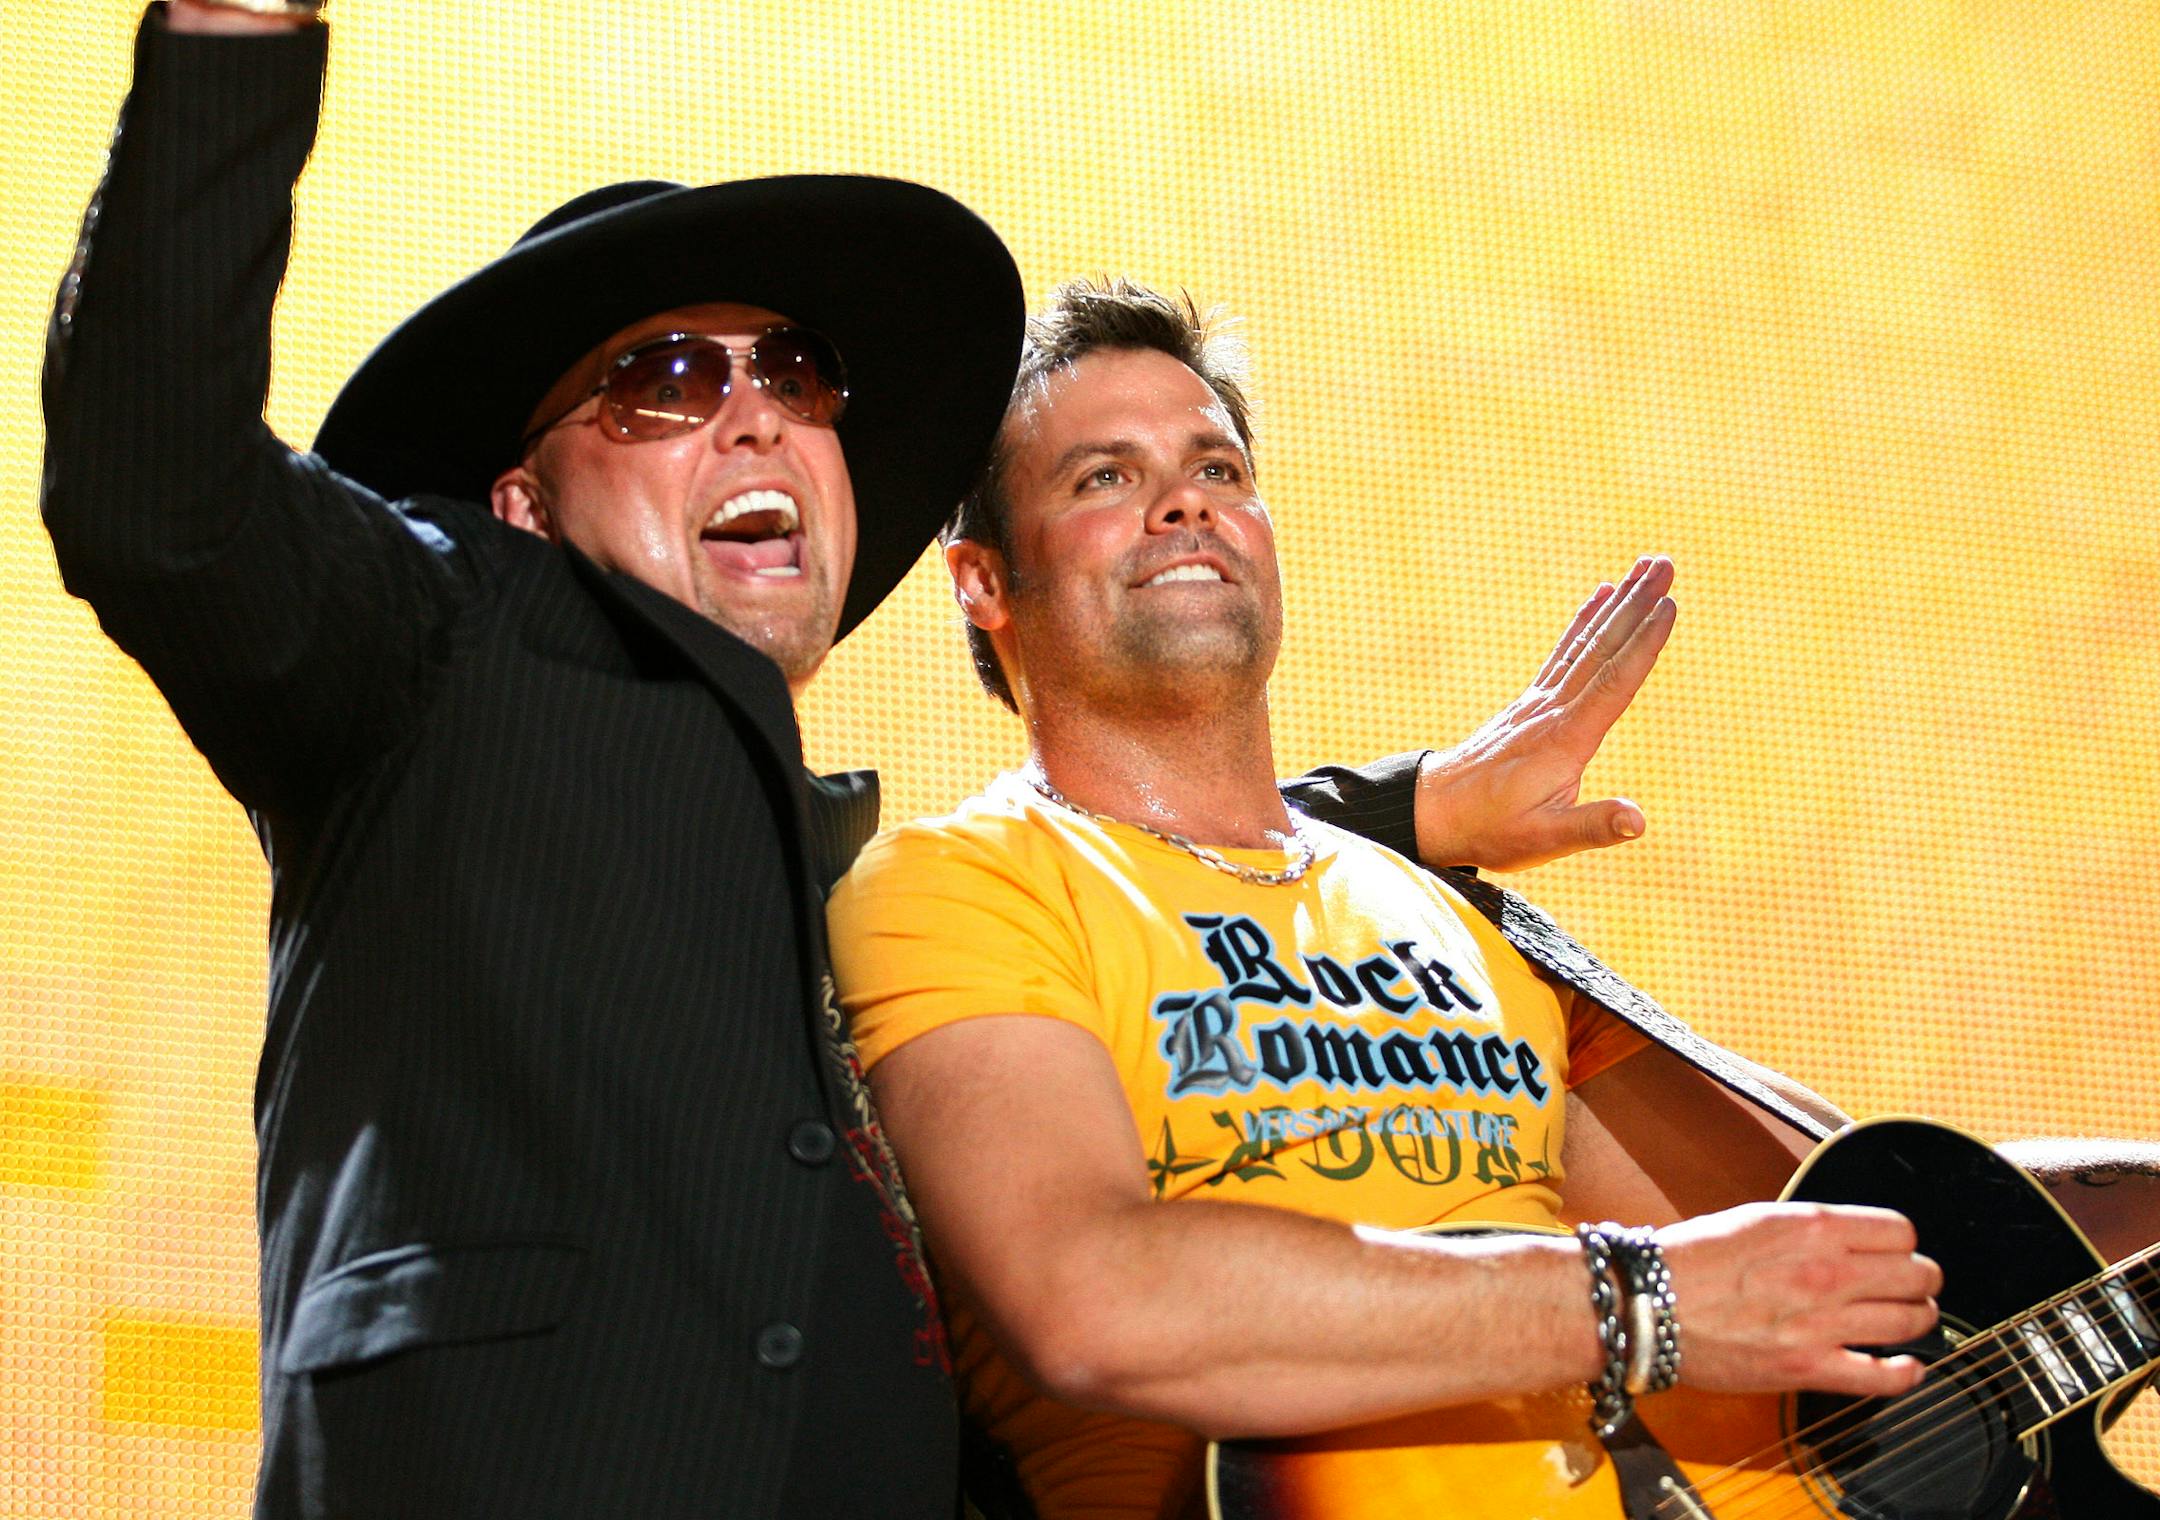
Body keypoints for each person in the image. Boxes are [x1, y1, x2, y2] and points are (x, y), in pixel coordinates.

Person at [40, 8, 1681, 1516]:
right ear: (523, 502)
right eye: (668, 379)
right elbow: (154, 492)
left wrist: (1383, 815)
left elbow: (1084, 864)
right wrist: (233, 38)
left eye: (794, 375)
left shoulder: (812, 856)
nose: (757, 415)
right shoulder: (436, 647)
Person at [825, 278, 2160, 1518]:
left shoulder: (1447, 920)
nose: (1186, 505)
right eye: (1106, 476)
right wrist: (1640, 1300)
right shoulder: (959, 885)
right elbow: (1096, 1304)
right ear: (984, 579)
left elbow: (1808, 1261)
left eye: (1218, 468)